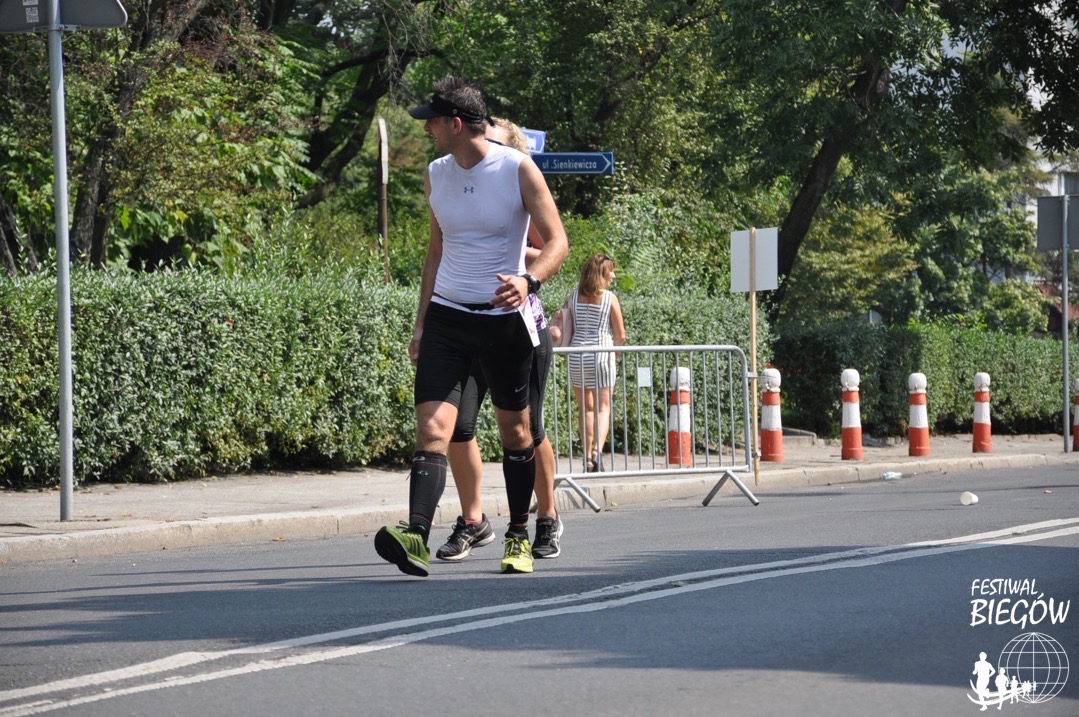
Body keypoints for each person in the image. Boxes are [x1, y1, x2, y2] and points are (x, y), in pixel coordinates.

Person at [373, 77, 568, 577]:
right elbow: (435, 252)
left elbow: (557, 243)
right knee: (433, 427)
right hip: (448, 318)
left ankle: (519, 535)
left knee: (517, 431)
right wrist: (421, 324)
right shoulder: (436, 174)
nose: (427, 130)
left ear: (456, 124)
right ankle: (416, 535)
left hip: (503, 322)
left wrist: (529, 281)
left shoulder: (517, 169)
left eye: (433, 122)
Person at [438, 117, 564, 563]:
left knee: (526, 429)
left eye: (493, 144)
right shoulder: (458, 183)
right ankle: (474, 520)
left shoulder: (520, 185)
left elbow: (551, 249)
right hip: (465, 320)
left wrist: (517, 261)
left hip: (518, 326)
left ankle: (545, 517)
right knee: (458, 426)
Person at [562, 253, 626, 472]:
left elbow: (564, 321)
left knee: (585, 408)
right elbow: (621, 335)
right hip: (602, 353)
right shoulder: (609, 298)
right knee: (603, 407)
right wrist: (616, 353)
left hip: (577, 354)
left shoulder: (573, 296)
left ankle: (587, 456)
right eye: (610, 272)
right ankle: (597, 451)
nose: (613, 276)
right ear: (601, 274)